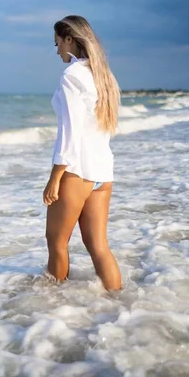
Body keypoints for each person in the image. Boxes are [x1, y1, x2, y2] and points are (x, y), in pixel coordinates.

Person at [43, 15, 122, 291]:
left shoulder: (72, 76)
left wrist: (55, 177)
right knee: (99, 246)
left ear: (69, 39)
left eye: (57, 43)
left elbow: (70, 132)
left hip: (76, 172)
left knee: (56, 242)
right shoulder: (104, 75)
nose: (57, 51)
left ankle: (52, 309)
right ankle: (123, 306)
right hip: (102, 172)